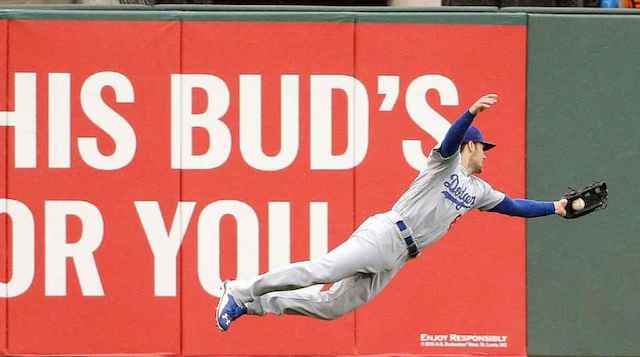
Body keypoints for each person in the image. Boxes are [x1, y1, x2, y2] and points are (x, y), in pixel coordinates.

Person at [215, 93, 568, 331]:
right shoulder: (443, 166)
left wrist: (555, 207)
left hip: (399, 256)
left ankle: (250, 306)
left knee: (333, 308)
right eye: (483, 148)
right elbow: (448, 141)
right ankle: (241, 289)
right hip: (385, 233)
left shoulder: (479, 191)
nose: (487, 155)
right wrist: (470, 113)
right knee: (319, 271)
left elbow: (514, 206)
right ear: (471, 145)